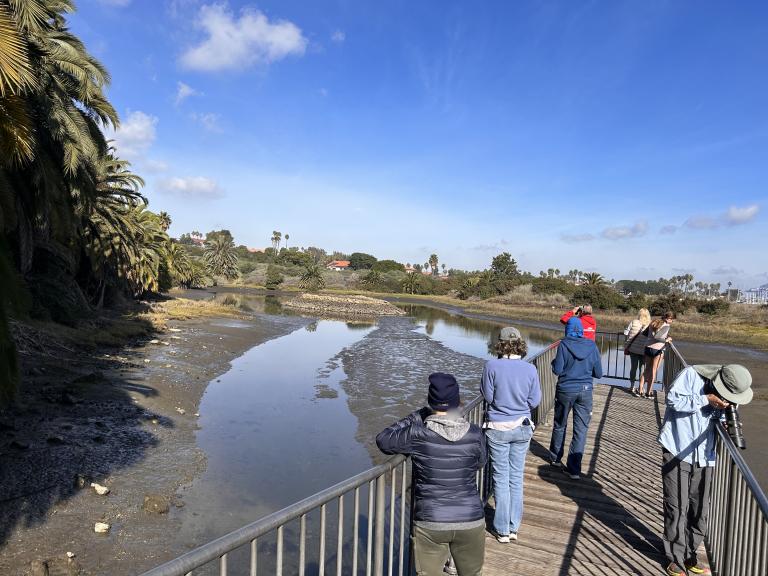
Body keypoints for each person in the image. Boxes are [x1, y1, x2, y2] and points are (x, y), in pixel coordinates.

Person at [376, 373, 486, 576]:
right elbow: (480, 463)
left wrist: (416, 416)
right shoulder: (475, 433)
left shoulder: (417, 434)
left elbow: (383, 439)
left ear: (430, 402)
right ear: (458, 402)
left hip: (431, 521)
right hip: (471, 518)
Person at [658, 364, 753, 576]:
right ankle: (674, 557)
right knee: (677, 506)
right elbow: (672, 400)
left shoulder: (728, 390)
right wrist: (706, 399)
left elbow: (713, 419)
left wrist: (725, 420)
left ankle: (690, 554)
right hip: (678, 448)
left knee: (699, 509)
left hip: (704, 455)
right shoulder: (690, 375)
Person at [480, 326, 541, 543]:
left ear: (499, 343)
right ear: (520, 344)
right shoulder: (530, 369)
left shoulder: (491, 366)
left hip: (498, 428)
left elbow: (488, 396)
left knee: (500, 478)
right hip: (522, 427)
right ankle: (514, 527)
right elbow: (534, 401)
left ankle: (501, 529)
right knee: (516, 478)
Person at [548, 317, 603, 479]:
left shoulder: (564, 344)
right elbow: (598, 373)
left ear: (568, 330)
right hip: (585, 391)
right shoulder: (592, 346)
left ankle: (555, 458)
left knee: (560, 424)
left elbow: (557, 369)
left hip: (565, 390)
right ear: (582, 330)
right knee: (581, 430)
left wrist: (553, 363)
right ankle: (574, 469)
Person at [642, 312, 674, 398]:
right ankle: (648, 392)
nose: (672, 321)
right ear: (668, 319)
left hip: (648, 347)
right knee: (654, 371)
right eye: (671, 319)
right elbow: (657, 337)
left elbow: (644, 333)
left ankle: (640, 390)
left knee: (646, 369)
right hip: (658, 350)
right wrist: (666, 340)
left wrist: (665, 335)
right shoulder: (666, 326)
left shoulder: (654, 322)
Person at [623, 308, 651, 396]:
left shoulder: (634, 322)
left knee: (633, 367)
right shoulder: (649, 324)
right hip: (644, 350)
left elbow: (625, 333)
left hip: (633, 349)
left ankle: (632, 386)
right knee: (642, 369)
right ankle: (641, 387)